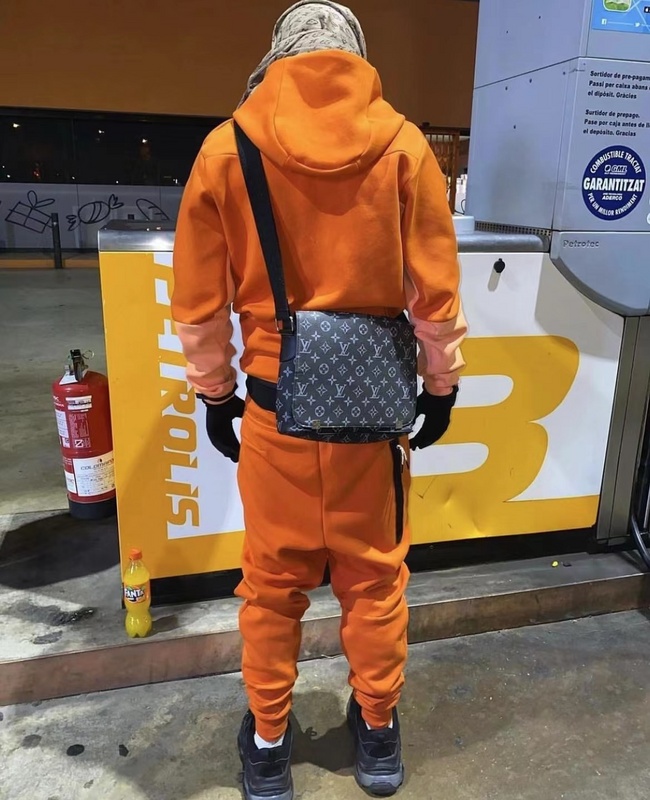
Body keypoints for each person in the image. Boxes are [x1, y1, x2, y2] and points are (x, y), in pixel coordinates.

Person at [172, 2, 466, 798]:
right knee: (376, 585)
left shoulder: (226, 149)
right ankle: (377, 734)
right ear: (355, 55)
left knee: (271, 591)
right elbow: (436, 295)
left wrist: (216, 394)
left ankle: (269, 745)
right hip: (372, 426)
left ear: (276, 58)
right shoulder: (404, 146)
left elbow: (197, 305)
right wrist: (440, 385)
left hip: (276, 421)